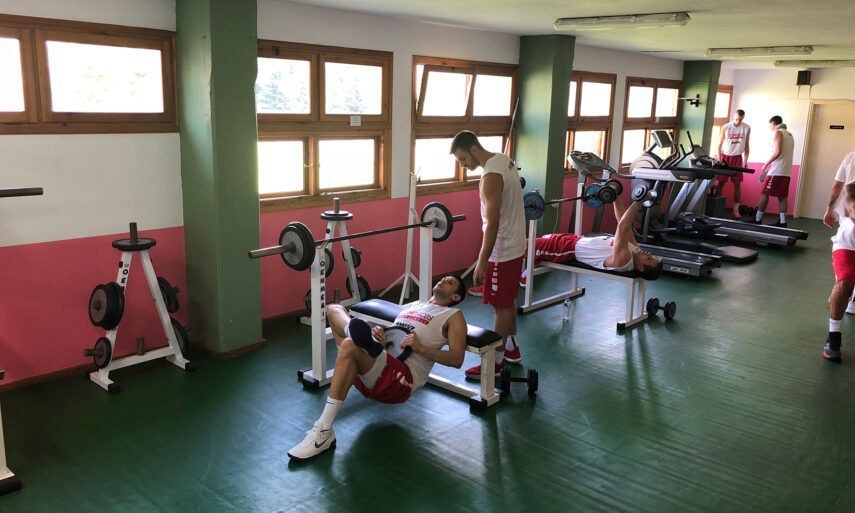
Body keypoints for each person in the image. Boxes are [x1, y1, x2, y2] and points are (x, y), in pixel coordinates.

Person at [287, 276, 468, 461]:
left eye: (450, 282)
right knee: (334, 310)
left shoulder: (453, 316)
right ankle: (355, 333)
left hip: (401, 380)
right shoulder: (415, 305)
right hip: (380, 362)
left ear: (455, 297)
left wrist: (421, 348)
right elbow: (395, 337)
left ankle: (323, 431)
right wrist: (380, 334)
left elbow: (457, 359)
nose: (444, 280)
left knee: (350, 345)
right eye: (444, 278)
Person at [450, 131, 526, 376]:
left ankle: (495, 363)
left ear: (474, 148)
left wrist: (482, 261)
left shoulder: (490, 176)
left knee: (500, 306)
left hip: (502, 250)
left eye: (463, 159)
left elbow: (492, 223)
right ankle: (511, 348)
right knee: (507, 300)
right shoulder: (503, 159)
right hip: (516, 245)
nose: (463, 165)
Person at [522, 194, 663, 284]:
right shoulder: (635, 250)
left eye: (650, 259)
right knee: (535, 243)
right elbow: (624, 222)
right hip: (572, 240)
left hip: (565, 249)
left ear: (640, 267)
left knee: (522, 246)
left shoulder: (624, 260)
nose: (649, 254)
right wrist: (615, 197)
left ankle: (523, 276)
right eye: (652, 256)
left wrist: (640, 201)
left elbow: (622, 227)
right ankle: (528, 269)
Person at [822, 151, 855, 359]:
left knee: (847, 283)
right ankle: (833, 336)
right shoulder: (852, 157)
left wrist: (829, 209)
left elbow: (838, 187)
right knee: (844, 281)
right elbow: (846, 189)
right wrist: (831, 208)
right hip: (849, 237)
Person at [749, 116, 794, 227]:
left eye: (770, 126)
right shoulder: (790, 135)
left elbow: (777, 152)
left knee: (764, 193)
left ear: (774, 124)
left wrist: (766, 164)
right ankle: (783, 222)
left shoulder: (778, 132)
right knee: (782, 196)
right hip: (786, 171)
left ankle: (757, 219)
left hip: (776, 171)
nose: (770, 128)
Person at [716, 109, 751, 218]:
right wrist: (719, 159)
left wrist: (745, 161)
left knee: (737, 184)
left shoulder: (746, 128)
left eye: (740, 120)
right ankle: (717, 208)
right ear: (734, 117)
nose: (737, 121)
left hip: (737, 158)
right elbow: (719, 144)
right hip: (725, 157)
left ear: (743, 118)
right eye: (736, 119)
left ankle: (736, 210)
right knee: (721, 183)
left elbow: (747, 145)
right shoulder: (726, 127)